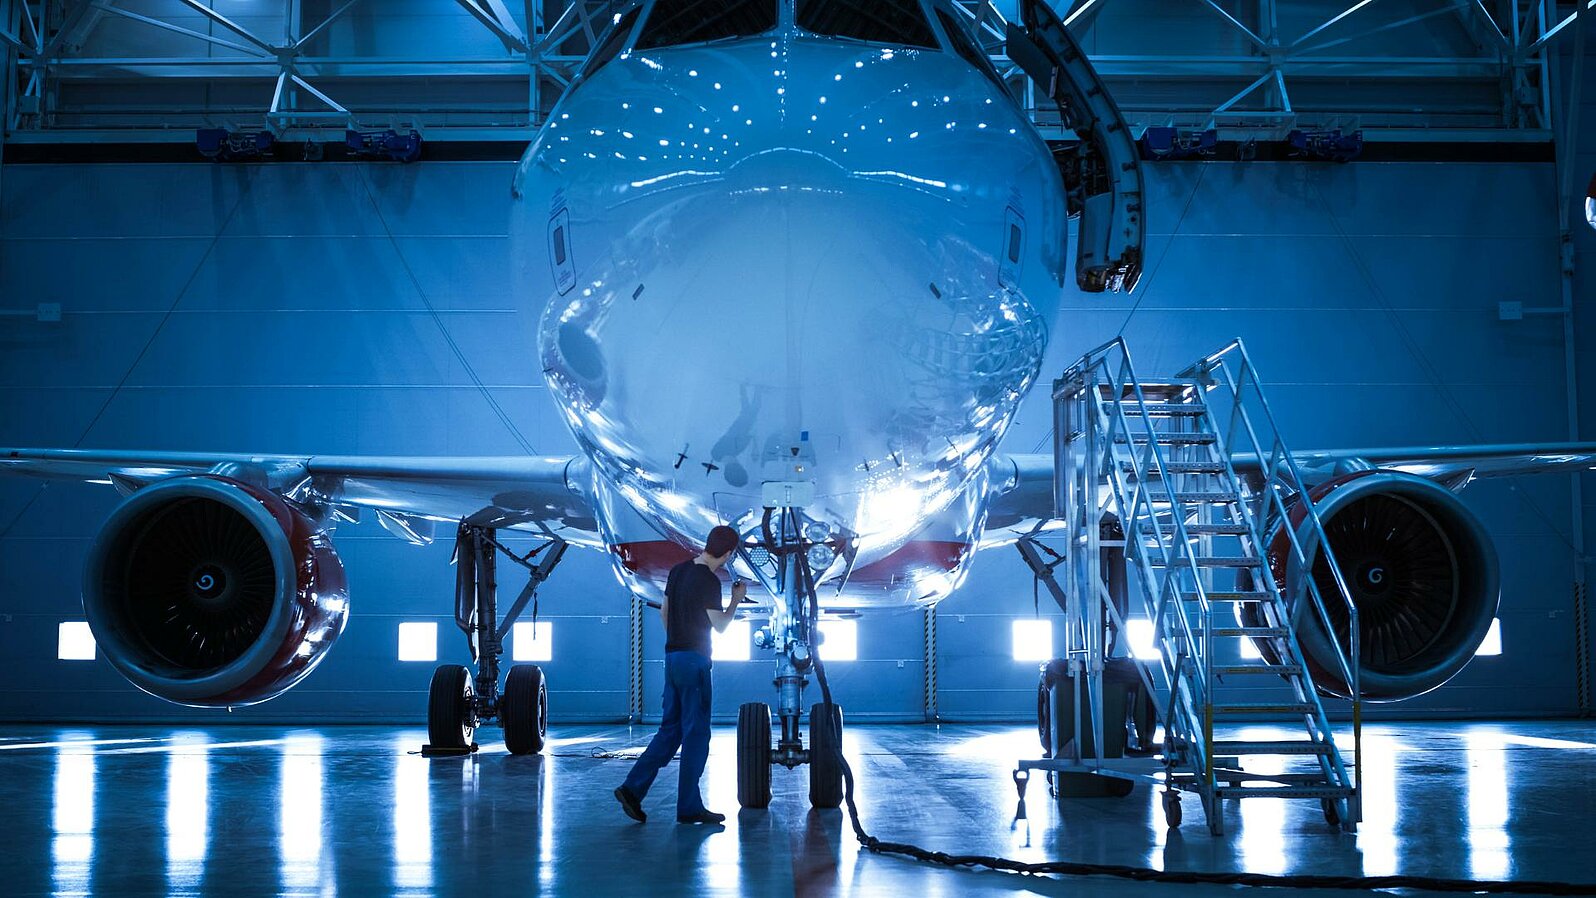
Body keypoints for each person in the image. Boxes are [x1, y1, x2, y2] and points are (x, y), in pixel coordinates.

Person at [614, 524, 744, 824]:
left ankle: (632, 788)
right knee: (696, 734)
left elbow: (664, 612)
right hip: (694, 662)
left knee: (670, 730)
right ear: (727, 553)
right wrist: (736, 598)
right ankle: (688, 806)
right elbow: (721, 626)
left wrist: (678, 640)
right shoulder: (710, 582)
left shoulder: (678, 570)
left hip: (672, 657)